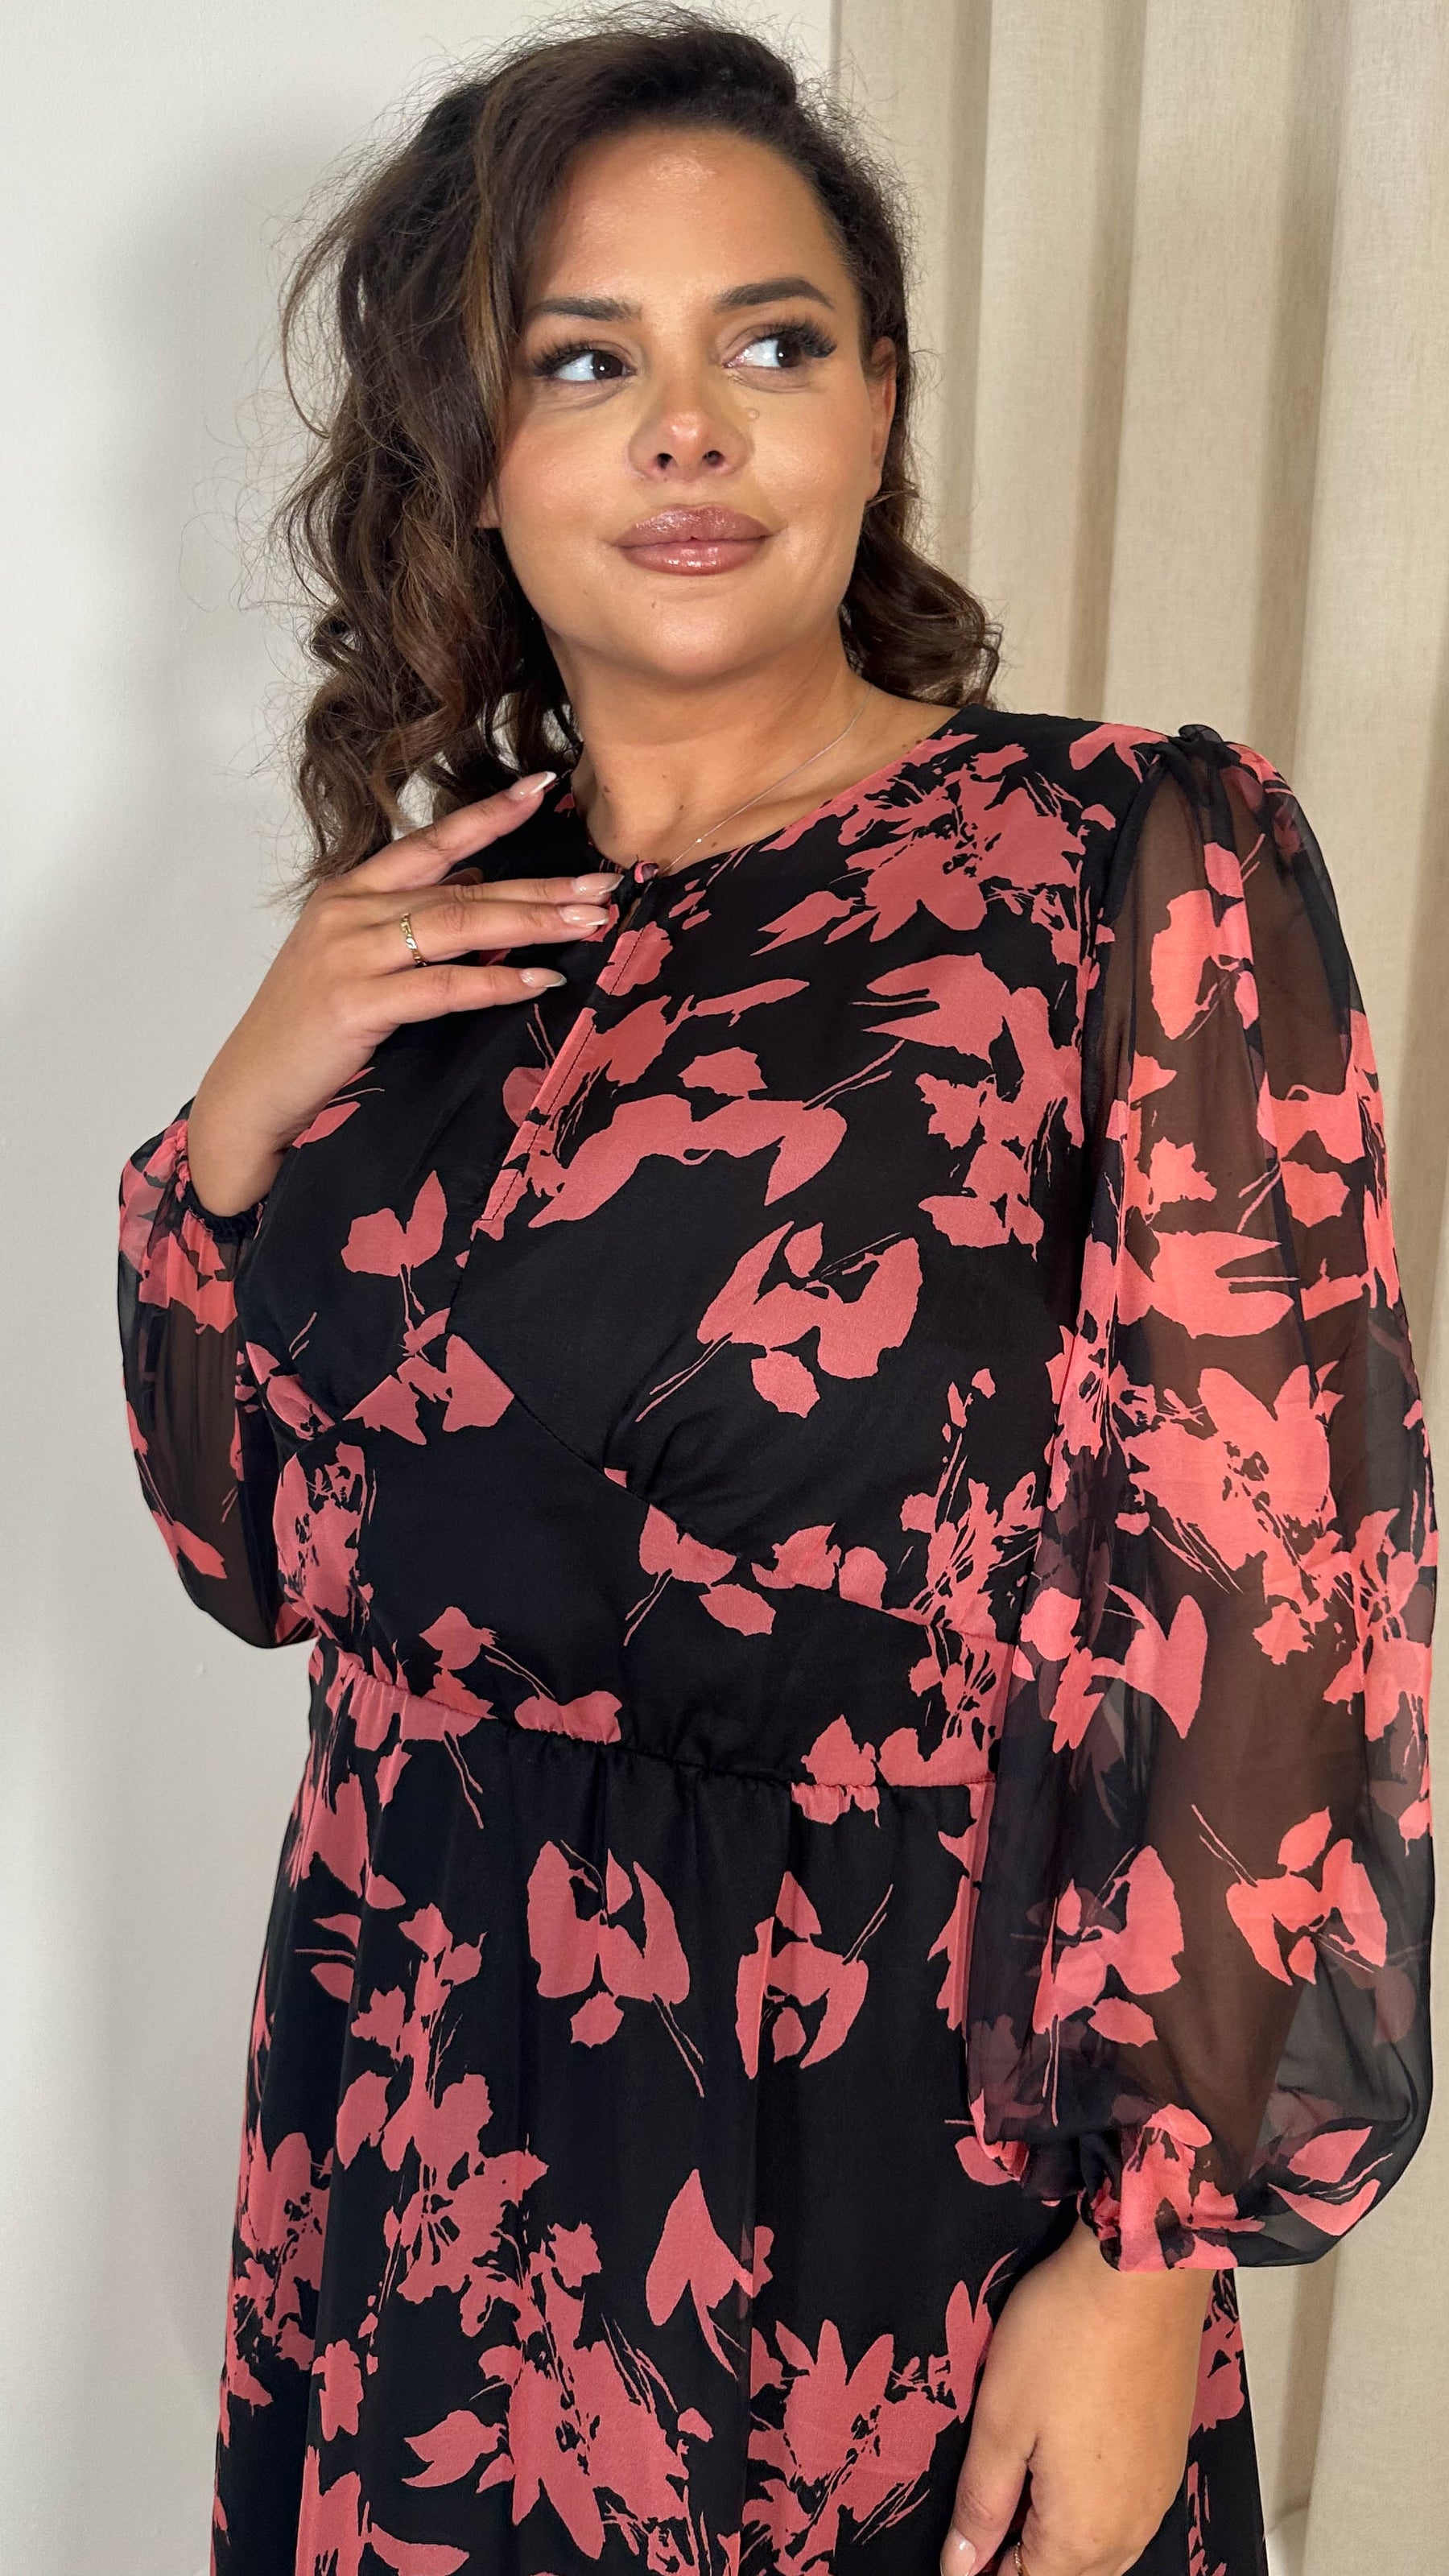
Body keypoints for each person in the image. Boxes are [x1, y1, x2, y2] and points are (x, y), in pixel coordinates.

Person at [115, 14, 1435, 2576]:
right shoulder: (423, 944)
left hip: (877, 2154)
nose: (691, 432)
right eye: (585, 363)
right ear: (471, 457)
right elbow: (247, 1555)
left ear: (878, 406)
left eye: (773, 342)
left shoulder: (1113, 860)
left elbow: (1282, 1582)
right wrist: (237, 1126)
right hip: (406, 2118)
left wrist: (1150, 2256)